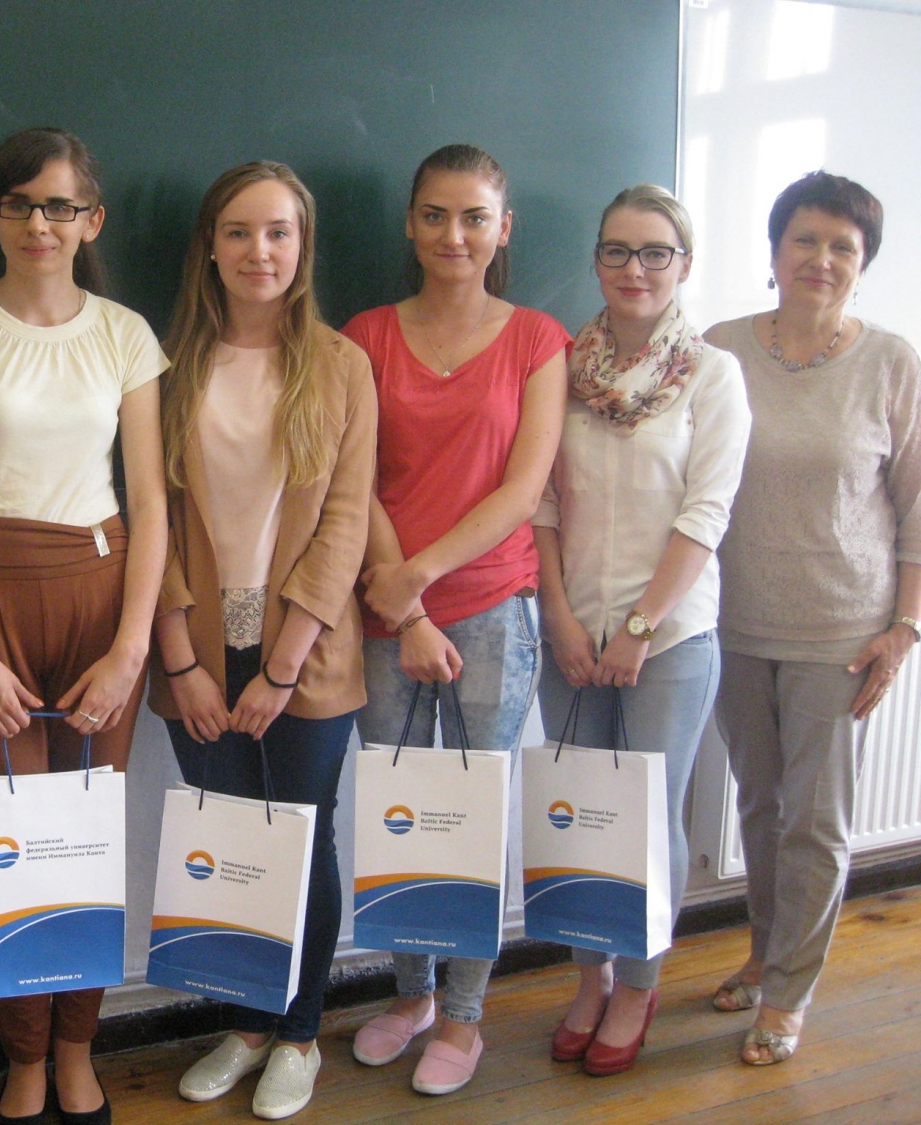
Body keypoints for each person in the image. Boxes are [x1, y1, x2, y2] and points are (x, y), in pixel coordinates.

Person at [0, 127, 166, 1125]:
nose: (39, 224)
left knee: (87, 840)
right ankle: (23, 1057)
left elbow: (150, 501)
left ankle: (76, 1051)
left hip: (99, 598)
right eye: (19, 204)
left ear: (91, 220)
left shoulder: (125, 334)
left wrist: (132, 648)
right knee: (16, 842)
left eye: (60, 206)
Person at [342, 144, 569, 1096]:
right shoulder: (364, 335)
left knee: (471, 815)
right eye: (435, 214)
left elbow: (523, 488)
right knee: (399, 808)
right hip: (386, 607)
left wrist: (420, 581)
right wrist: (402, 602)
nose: (454, 234)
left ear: (502, 229)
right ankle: (412, 995)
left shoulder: (538, 340)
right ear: (410, 223)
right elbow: (356, 477)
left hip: (492, 608)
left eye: (475, 217)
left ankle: (467, 1013)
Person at [151, 161, 375, 1120]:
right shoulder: (165, 363)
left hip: (303, 652)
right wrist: (181, 660)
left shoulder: (341, 363)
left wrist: (282, 666)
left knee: (303, 838)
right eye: (239, 231)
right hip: (197, 650)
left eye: (279, 231)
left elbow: (348, 521)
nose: (260, 251)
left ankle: (299, 1034)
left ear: (303, 245)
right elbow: (150, 517)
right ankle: (246, 1024)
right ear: (210, 245)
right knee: (232, 844)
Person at [704, 171, 921, 1066]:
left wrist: (905, 628)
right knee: (759, 805)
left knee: (817, 821)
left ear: (863, 263)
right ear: (774, 249)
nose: (821, 259)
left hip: (842, 631)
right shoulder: (720, 348)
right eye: (806, 239)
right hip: (730, 619)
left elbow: (916, 504)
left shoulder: (892, 362)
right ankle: (764, 952)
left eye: (843, 246)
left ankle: (789, 992)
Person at [533, 184, 750, 1075]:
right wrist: (558, 615)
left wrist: (638, 625)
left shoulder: (711, 374)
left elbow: (707, 514)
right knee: (579, 814)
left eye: (655, 252)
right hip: (570, 635)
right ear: (596, 261)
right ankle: (590, 975)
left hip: (670, 638)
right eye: (618, 250)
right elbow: (542, 503)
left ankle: (638, 983)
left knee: (648, 821)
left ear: (683, 264)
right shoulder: (563, 367)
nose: (635, 268)